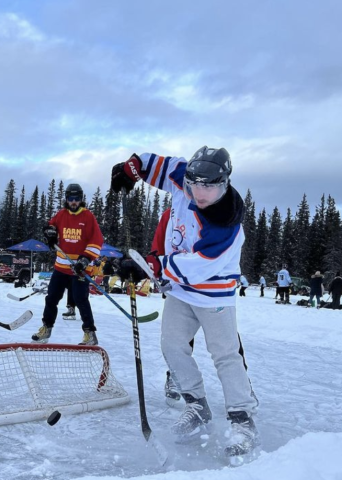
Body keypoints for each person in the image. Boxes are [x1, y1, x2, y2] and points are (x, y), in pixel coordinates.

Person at [111, 146, 259, 458]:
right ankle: (197, 404)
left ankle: (242, 417)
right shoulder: (185, 178)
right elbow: (157, 164)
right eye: (194, 185)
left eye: (210, 187)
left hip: (213, 293)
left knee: (225, 354)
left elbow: (201, 264)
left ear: (224, 183)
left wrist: (152, 267)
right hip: (179, 291)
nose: (200, 193)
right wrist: (131, 170)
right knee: (172, 345)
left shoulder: (226, 223)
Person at [31, 183, 103, 346]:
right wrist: (49, 232)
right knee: (51, 298)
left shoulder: (88, 217)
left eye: (77, 198)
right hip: (61, 267)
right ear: (66, 199)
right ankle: (46, 328)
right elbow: (51, 226)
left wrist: (85, 259)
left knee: (80, 300)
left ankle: (90, 333)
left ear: (81, 199)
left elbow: (97, 241)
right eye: (71, 198)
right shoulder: (61, 214)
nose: (74, 202)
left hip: (79, 269)